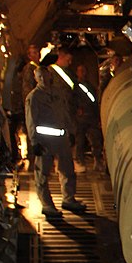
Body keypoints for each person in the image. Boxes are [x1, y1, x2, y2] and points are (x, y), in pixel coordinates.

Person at [25, 66, 87, 217]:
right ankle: (47, 204)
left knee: (67, 169)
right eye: (40, 77)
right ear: (36, 79)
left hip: (61, 138)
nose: (44, 80)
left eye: (45, 76)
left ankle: (69, 198)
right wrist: (34, 142)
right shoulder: (34, 97)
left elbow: (64, 113)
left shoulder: (57, 93)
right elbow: (31, 120)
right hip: (45, 141)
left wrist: (71, 131)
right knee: (43, 174)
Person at [74, 63, 105, 172]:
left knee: (95, 140)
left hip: (91, 117)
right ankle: (80, 162)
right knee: (80, 141)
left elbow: (95, 102)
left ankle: (97, 160)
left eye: (84, 70)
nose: (82, 73)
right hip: (80, 119)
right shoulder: (74, 87)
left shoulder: (90, 86)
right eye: (80, 71)